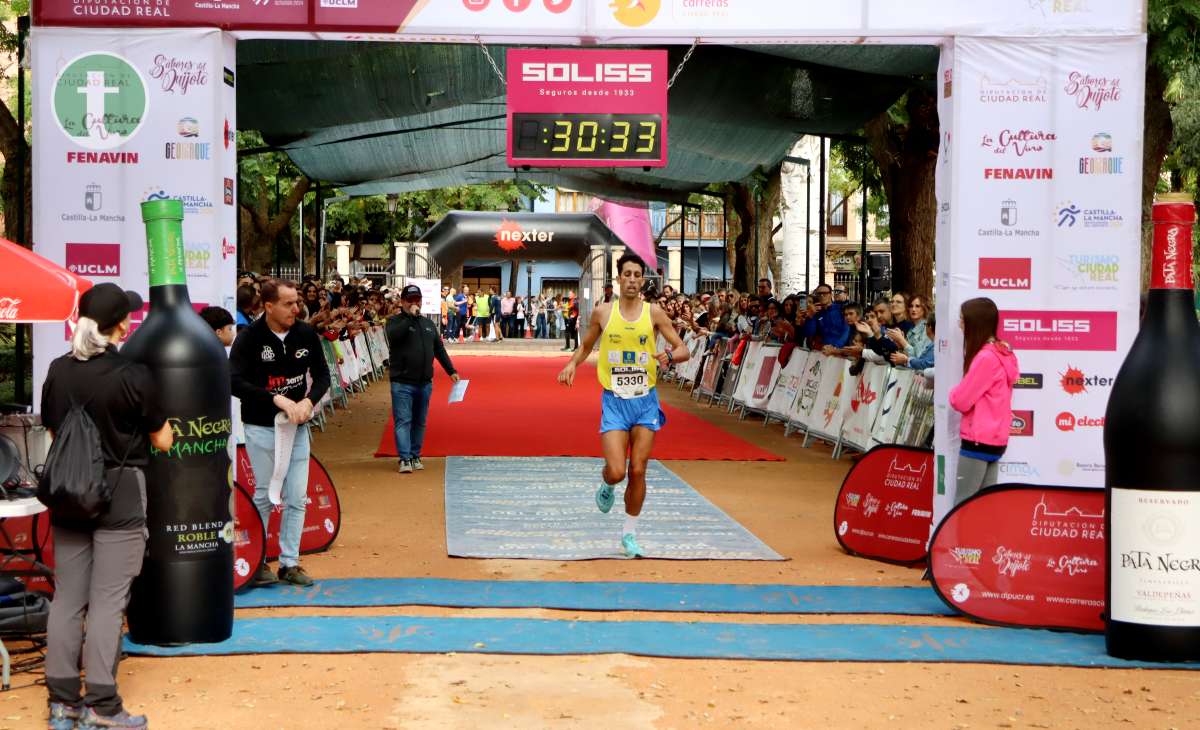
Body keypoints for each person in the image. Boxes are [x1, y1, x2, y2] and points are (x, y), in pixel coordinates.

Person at [41, 283, 173, 730]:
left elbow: (57, 435)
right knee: (108, 602)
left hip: (68, 494)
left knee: (67, 600)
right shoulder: (132, 374)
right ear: (121, 325)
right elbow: (162, 438)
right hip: (120, 492)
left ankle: (61, 704)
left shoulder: (58, 370)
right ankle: (102, 705)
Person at [556, 253, 690, 558]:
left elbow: (682, 348)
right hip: (614, 402)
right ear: (618, 279)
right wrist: (571, 364)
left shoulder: (654, 313)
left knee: (639, 470)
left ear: (643, 280)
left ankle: (629, 535)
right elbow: (587, 345)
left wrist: (669, 356)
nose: (631, 279)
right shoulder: (603, 313)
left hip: (646, 402)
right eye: (626, 274)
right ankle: (608, 484)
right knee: (618, 471)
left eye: (636, 275)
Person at [230, 279, 330, 588]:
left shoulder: (305, 333)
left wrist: (308, 402)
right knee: (264, 493)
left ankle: (290, 563)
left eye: (297, 302)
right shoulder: (249, 339)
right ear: (268, 306)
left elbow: (324, 375)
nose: (296, 309)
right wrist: (275, 398)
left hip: (297, 428)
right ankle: (258, 562)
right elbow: (233, 381)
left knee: (297, 496)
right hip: (261, 426)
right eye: (288, 304)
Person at [949, 298, 1018, 505]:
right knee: (984, 506)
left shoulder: (985, 358)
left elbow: (961, 401)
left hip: (977, 440)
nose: (960, 324)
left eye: (963, 319)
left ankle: (961, 539)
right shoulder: (1002, 354)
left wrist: (953, 391)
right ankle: (979, 539)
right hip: (995, 441)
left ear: (975, 322)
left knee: (963, 505)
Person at [386, 284, 460, 474]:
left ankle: (415, 454)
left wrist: (450, 370)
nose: (414, 303)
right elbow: (393, 337)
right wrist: (410, 317)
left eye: (417, 299)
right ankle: (404, 458)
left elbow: (439, 349)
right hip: (402, 381)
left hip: (424, 382)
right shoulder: (395, 321)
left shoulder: (428, 324)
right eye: (410, 300)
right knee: (403, 420)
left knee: (420, 421)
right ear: (402, 302)